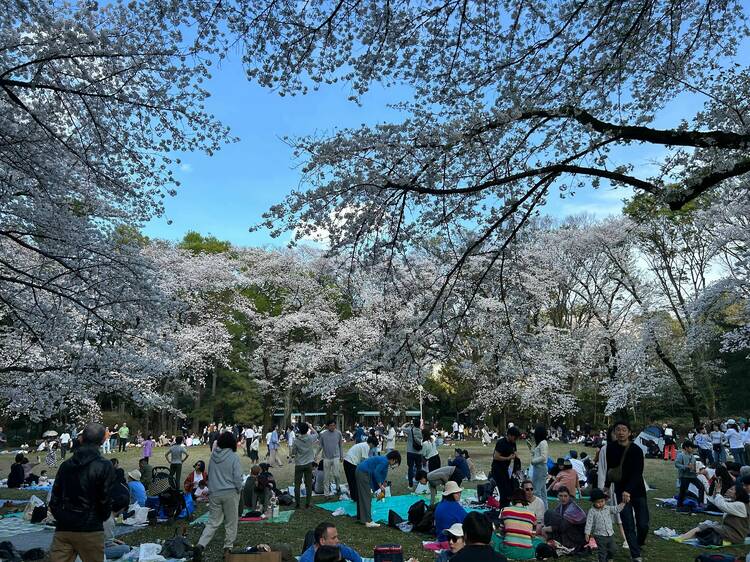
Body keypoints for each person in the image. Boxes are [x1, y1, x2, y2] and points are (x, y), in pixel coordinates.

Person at [49, 422, 116, 562]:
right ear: (103, 440)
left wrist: (61, 516)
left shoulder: (66, 465)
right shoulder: (104, 466)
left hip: (64, 527)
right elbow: (105, 498)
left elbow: (54, 498)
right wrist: (100, 518)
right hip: (90, 528)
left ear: (81, 439)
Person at [193, 432, 243, 561]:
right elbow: (237, 477)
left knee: (212, 522)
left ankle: (201, 544)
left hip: (215, 493)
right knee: (231, 522)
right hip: (230, 492)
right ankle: (227, 548)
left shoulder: (213, 457)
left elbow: (210, 475)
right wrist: (239, 489)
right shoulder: (234, 457)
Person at [605, 420, 648, 562]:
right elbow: (610, 470)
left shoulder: (636, 450)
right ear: (614, 432)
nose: (621, 432)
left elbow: (637, 473)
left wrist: (628, 490)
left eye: (624, 430)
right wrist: (606, 486)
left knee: (643, 524)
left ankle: (638, 543)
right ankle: (635, 554)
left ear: (629, 433)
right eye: (618, 430)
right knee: (628, 522)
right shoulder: (610, 448)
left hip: (637, 490)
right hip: (620, 490)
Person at [676, 474, 750, 545]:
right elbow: (717, 501)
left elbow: (721, 504)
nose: (728, 490)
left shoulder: (741, 505)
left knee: (706, 526)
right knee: (707, 525)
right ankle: (684, 537)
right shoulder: (736, 503)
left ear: (738, 493)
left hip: (734, 535)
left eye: (732, 489)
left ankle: (682, 538)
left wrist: (718, 492)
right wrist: (717, 490)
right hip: (731, 533)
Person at [354, 450, 401, 528]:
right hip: (363, 473)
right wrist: (380, 485)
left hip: (361, 471)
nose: (394, 465)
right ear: (393, 459)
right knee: (366, 497)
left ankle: (361, 517)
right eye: (396, 462)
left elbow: (378, 473)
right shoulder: (385, 462)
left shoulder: (383, 460)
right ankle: (368, 521)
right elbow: (376, 472)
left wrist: (382, 483)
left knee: (363, 496)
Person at [584, 488, 628, 562]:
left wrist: (623, 503)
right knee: (602, 551)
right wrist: (587, 533)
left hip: (610, 533)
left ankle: (610, 558)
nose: (600, 503)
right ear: (593, 502)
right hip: (599, 535)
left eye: (602, 501)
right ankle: (602, 560)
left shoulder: (607, 508)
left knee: (612, 548)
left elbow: (616, 509)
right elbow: (589, 523)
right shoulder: (592, 511)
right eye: (598, 502)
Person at [493, 489, 536, 560]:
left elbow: (501, 532)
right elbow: (533, 536)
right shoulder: (533, 514)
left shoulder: (505, 510)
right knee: (538, 540)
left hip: (508, 551)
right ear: (525, 500)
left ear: (512, 500)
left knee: (493, 536)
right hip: (528, 553)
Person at [541, 486, 587, 551]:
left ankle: (553, 538)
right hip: (567, 531)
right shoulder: (561, 506)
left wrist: (547, 529)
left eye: (565, 496)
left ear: (569, 496)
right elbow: (556, 519)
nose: (563, 498)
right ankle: (551, 537)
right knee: (549, 514)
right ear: (557, 496)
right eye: (561, 496)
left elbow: (563, 527)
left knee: (550, 513)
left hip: (576, 537)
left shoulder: (572, 508)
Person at [491, 426, 520, 507]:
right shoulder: (501, 442)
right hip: (497, 469)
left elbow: (514, 452)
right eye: (515, 437)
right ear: (510, 435)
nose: (516, 439)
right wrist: (508, 458)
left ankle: (506, 506)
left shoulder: (513, 442)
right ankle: (502, 508)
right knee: (503, 491)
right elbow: (496, 456)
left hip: (506, 469)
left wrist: (516, 459)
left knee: (510, 489)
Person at [291, 422, 318, 509]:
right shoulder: (310, 438)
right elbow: (317, 434)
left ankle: (298, 503)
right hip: (308, 464)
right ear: (307, 430)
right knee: (309, 484)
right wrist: (310, 426)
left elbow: (293, 453)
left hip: (299, 464)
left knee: (297, 485)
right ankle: (307, 503)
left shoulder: (296, 441)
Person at [343, 436, 377, 502]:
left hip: (347, 461)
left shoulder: (363, 444)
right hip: (351, 463)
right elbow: (365, 461)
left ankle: (354, 497)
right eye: (374, 446)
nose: (373, 448)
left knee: (351, 482)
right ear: (371, 444)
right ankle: (357, 498)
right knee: (355, 481)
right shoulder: (366, 446)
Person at [319, 420, 344, 498]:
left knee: (336, 474)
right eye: (331, 425)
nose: (332, 427)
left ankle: (337, 487)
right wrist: (316, 455)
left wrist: (341, 455)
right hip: (326, 457)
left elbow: (340, 445)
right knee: (326, 477)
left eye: (334, 425)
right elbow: (320, 446)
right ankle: (326, 494)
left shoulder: (338, 433)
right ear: (327, 426)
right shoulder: (323, 435)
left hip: (336, 457)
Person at [676, 440, 704, 507]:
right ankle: (679, 505)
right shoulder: (681, 455)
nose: (693, 449)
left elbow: (694, 466)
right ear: (686, 447)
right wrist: (685, 467)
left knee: (701, 487)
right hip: (684, 476)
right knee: (683, 491)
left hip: (692, 476)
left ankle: (700, 503)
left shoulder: (692, 456)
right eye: (692, 448)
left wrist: (695, 470)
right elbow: (677, 464)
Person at [530, 426, 549, 510]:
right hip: (538, 468)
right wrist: (531, 448)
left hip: (541, 468)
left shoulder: (543, 443)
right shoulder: (541, 443)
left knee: (537, 491)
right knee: (542, 491)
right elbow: (537, 454)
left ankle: (539, 510)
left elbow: (543, 457)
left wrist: (533, 461)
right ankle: (545, 510)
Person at [406, 418, 423, 488]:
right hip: (419, 452)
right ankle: (420, 483)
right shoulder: (421, 431)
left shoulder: (410, 430)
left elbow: (401, 428)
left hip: (410, 451)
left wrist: (407, 424)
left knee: (410, 468)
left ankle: (410, 484)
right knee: (419, 468)